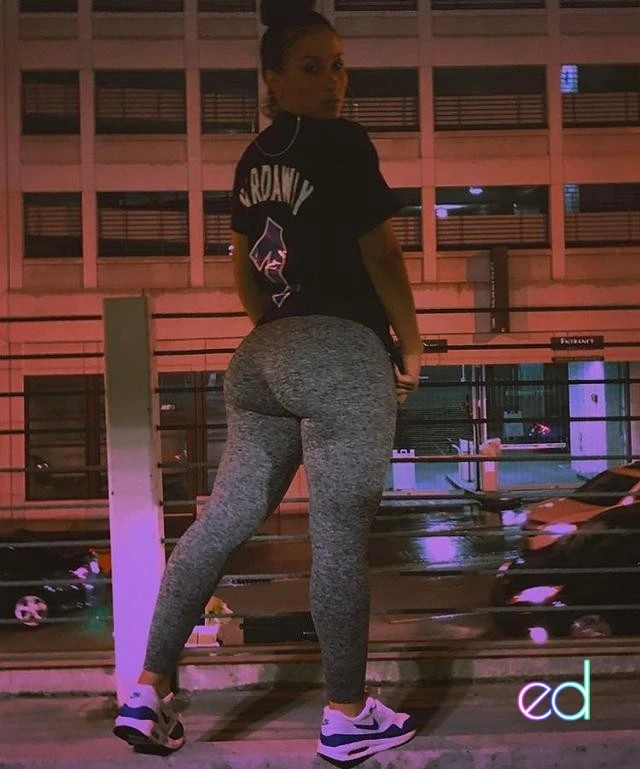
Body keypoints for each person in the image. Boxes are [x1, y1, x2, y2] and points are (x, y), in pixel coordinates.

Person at [113, 0, 422, 765]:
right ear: (274, 80)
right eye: (313, 67)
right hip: (341, 354)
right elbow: (383, 254)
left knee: (220, 522)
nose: (333, 81)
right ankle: (347, 714)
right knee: (338, 535)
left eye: (339, 65)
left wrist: (276, 331)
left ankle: (148, 691)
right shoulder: (344, 143)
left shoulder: (254, 158)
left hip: (262, 358)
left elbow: (242, 265)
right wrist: (411, 346)